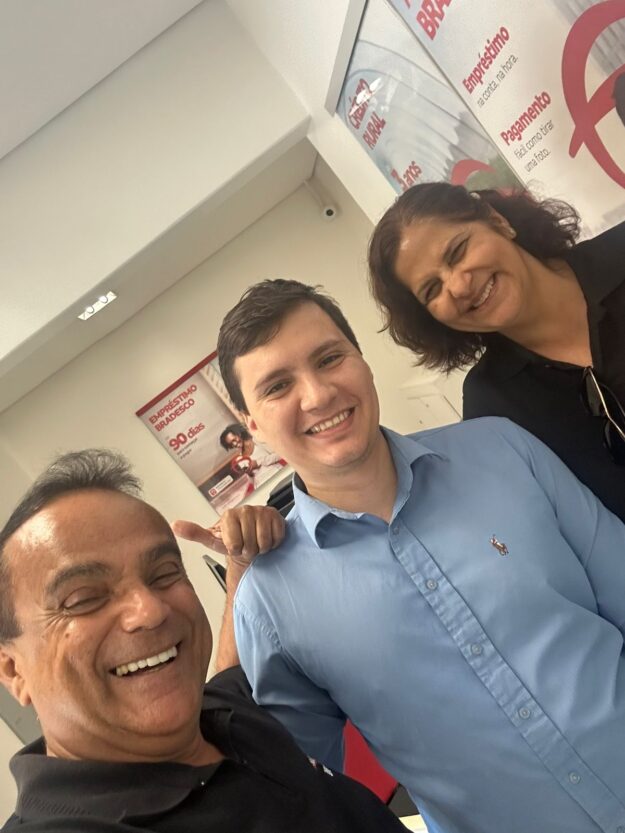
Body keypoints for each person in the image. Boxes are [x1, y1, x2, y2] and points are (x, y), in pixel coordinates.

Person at [178, 278, 625, 833]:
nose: (317, 395)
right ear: (251, 424)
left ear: (361, 360)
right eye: (277, 386)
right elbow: (291, 792)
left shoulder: (503, 449)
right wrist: (240, 575)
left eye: (329, 358)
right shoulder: (269, 600)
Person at [0, 449, 412, 833]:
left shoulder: (220, 714)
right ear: (12, 669)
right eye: (83, 599)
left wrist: (240, 564)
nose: (150, 610)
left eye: (164, 573)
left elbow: (229, 669)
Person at [367, 181, 625, 523]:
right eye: (432, 289)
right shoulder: (491, 405)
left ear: (497, 221)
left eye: (458, 251)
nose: (459, 286)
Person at [219, 422, 284, 487]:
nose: (234, 444)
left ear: (239, 434)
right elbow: (252, 482)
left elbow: (279, 455)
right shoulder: (240, 458)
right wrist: (250, 474)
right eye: (231, 444)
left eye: (234, 440)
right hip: (262, 487)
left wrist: (258, 462)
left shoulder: (257, 440)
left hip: (278, 477)